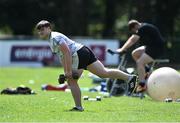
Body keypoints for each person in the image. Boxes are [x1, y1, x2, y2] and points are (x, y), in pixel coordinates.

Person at [35, 20, 137, 111]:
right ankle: (129, 78)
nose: (40, 32)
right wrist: (66, 72)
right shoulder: (51, 39)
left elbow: (67, 53)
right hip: (83, 51)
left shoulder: (54, 38)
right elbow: (62, 56)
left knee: (72, 81)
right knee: (103, 73)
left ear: (49, 28)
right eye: (39, 31)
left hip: (79, 53)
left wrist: (68, 72)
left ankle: (78, 107)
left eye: (43, 29)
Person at [116, 19, 165, 93]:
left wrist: (122, 49)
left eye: (134, 30)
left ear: (135, 26)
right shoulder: (144, 26)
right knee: (135, 53)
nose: (136, 32)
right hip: (151, 47)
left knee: (140, 63)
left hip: (157, 49)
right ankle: (147, 70)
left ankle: (142, 85)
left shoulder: (143, 28)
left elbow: (133, 40)